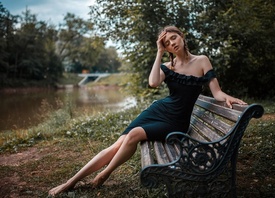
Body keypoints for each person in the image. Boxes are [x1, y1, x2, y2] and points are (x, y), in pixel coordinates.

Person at [48, 25, 247, 196]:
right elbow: (153, 83)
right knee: (118, 144)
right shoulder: (169, 65)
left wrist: (228, 98)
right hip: (158, 110)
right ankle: (70, 183)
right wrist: (159, 53)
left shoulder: (202, 61)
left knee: (132, 135)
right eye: (167, 43)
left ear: (182, 36)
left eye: (174, 38)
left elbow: (217, 92)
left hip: (176, 122)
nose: (172, 43)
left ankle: (103, 176)